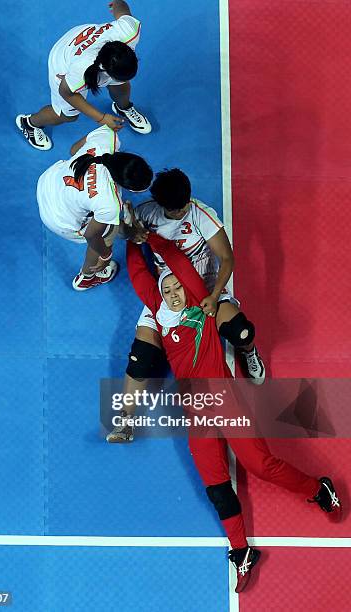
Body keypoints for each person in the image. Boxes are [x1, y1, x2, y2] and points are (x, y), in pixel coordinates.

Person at [124, 232, 342, 592]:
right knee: (216, 486)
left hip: (225, 400)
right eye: (168, 290)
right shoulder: (160, 315)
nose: (174, 292)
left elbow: (180, 266)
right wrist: (132, 241)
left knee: (261, 465)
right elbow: (138, 276)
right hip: (196, 413)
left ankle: (320, 489)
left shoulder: (199, 303)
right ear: (160, 296)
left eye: (178, 287)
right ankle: (241, 551)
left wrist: (155, 241)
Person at [106, 168, 264, 443]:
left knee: (241, 331)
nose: (182, 211)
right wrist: (132, 230)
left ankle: (249, 353)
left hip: (204, 290)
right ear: (161, 204)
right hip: (167, 293)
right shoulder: (147, 212)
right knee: (140, 359)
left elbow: (227, 258)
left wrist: (214, 297)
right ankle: (125, 423)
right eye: (176, 210)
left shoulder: (201, 215)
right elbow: (120, 232)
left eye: (185, 205)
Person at [16, 1, 151, 151]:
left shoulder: (128, 31)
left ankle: (123, 108)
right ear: (106, 71)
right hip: (63, 59)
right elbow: (66, 92)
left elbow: (122, 6)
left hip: (86, 38)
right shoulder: (82, 68)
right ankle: (28, 123)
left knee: (122, 86)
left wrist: (116, 3)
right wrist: (101, 118)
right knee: (68, 116)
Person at [36, 125, 152, 290]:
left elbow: (73, 150)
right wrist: (105, 255)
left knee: (105, 218)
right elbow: (91, 235)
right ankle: (87, 277)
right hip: (58, 218)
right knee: (107, 233)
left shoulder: (108, 136)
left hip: (48, 182)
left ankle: (128, 231)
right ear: (128, 187)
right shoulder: (110, 203)